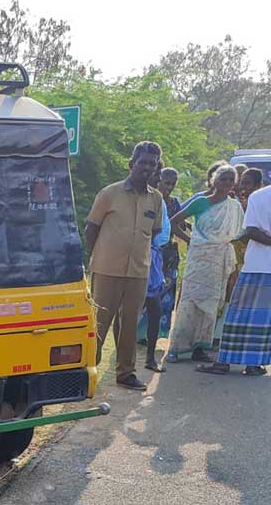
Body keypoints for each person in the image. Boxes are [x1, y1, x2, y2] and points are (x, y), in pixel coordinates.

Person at [86, 141, 164, 390]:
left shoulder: (156, 198)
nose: (147, 167)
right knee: (99, 322)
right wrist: (98, 257)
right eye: (142, 162)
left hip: (139, 272)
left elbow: (154, 232)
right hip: (107, 269)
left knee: (130, 323)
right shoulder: (110, 193)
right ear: (132, 164)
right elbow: (91, 228)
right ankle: (87, 370)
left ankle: (126, 373)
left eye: (152, 164)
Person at [198, 155, 271, 376]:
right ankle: (253, 364)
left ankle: (224, 362)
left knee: (239, 314)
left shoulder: (259, 197)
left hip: (256, 263)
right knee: (266, 319)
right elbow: (251, 231)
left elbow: (251, 231)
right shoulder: (261, 196)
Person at [166, 165, 243, 363]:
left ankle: (199, 347)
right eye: (223, 179)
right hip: (199, 257)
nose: (226, 183)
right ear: (214, 181)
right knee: (190, 301)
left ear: (234, 183)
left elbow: (238, 232)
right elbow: (173, 222)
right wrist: (190, 239)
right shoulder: (201, 202)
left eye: (230, 180)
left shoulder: (233, 207)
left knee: (211, 303)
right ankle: (176, 348)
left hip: (218, 260)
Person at [212, 167, 265, 344]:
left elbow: (249, 231)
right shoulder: (236, 203)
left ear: (258, 185)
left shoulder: (258, 204)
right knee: (227, 291)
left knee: (239, 294)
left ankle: (232, 336)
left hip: (248, 255)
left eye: (248, 183)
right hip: (232, 253)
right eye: (242, 182)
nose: (243, 187)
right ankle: (219, 334)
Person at [138, 166, 179, 371]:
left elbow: (162, 234)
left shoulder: (159, 201)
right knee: (126, 309)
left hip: (153, 257)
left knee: (155, 308)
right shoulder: (143, 198)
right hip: (138, 256)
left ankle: (149, 359)